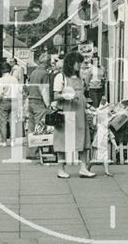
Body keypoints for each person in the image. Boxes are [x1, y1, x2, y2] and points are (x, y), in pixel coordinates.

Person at [52, 51, 94, 179]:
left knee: (83, 138)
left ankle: (83, 168)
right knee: (63, 139)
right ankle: (61, 169)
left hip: (80, 112)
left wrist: (88, 106)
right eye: (78, 62)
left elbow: (83, 94)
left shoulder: (80, 77)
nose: (80, 65)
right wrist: (68, 96)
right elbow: (55, 95)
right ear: (71, 63)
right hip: (66, 110)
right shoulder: (61, 77)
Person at [26, 53, 51, 156]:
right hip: (39, 102)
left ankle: (30, 151)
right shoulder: (44, 73)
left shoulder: (34, 72)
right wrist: (48, 104)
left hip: (31, 100)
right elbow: (44, 90)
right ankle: (36, 152)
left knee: (31, 128)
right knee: (39, 127)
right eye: (49, 61)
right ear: (46, 62)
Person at [0, 63, 21, 147]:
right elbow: (18, 91)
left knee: (3, 121)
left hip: (4, 100)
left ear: (2, 70)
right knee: (13, 121)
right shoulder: (15, 79)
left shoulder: (1, 80)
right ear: (10, 70)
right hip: (14, 100)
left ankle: (4, 141)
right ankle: (12, 141)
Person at [89, 99, 115, 177]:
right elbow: (94, 123)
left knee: (105, 158)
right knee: (95, 160)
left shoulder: (107, 129)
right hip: (98, 144)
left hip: (103, 146)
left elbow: (111, 137)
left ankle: (106, 171)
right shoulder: (99, 126)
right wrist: (96, 115)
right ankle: (87, 168)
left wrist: (116, 146)